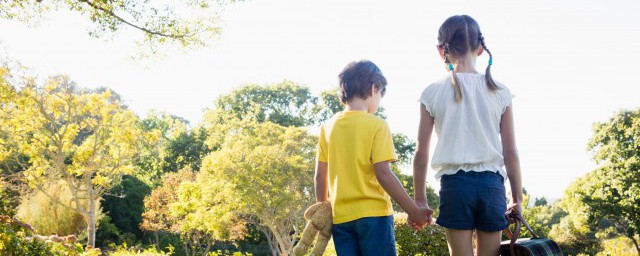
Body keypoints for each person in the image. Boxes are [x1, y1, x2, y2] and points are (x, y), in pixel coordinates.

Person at [412, 15, 524, 256]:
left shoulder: (432, 93)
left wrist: (420, 200)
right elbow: (511, 152)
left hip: (455, 187)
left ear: (441, 49)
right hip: (492, 186)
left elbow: (421, 152)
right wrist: (517, 199)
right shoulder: (501, 92)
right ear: (481, 48)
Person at [315, 60, 431, 256]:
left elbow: (320, 175)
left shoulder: (328, 127)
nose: (378, 102)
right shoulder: (377, 125)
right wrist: (414, 211)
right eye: (380, 96)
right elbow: (383, 173)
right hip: (374, 216)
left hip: (341, 219)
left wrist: (323, 209)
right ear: (373, 88)